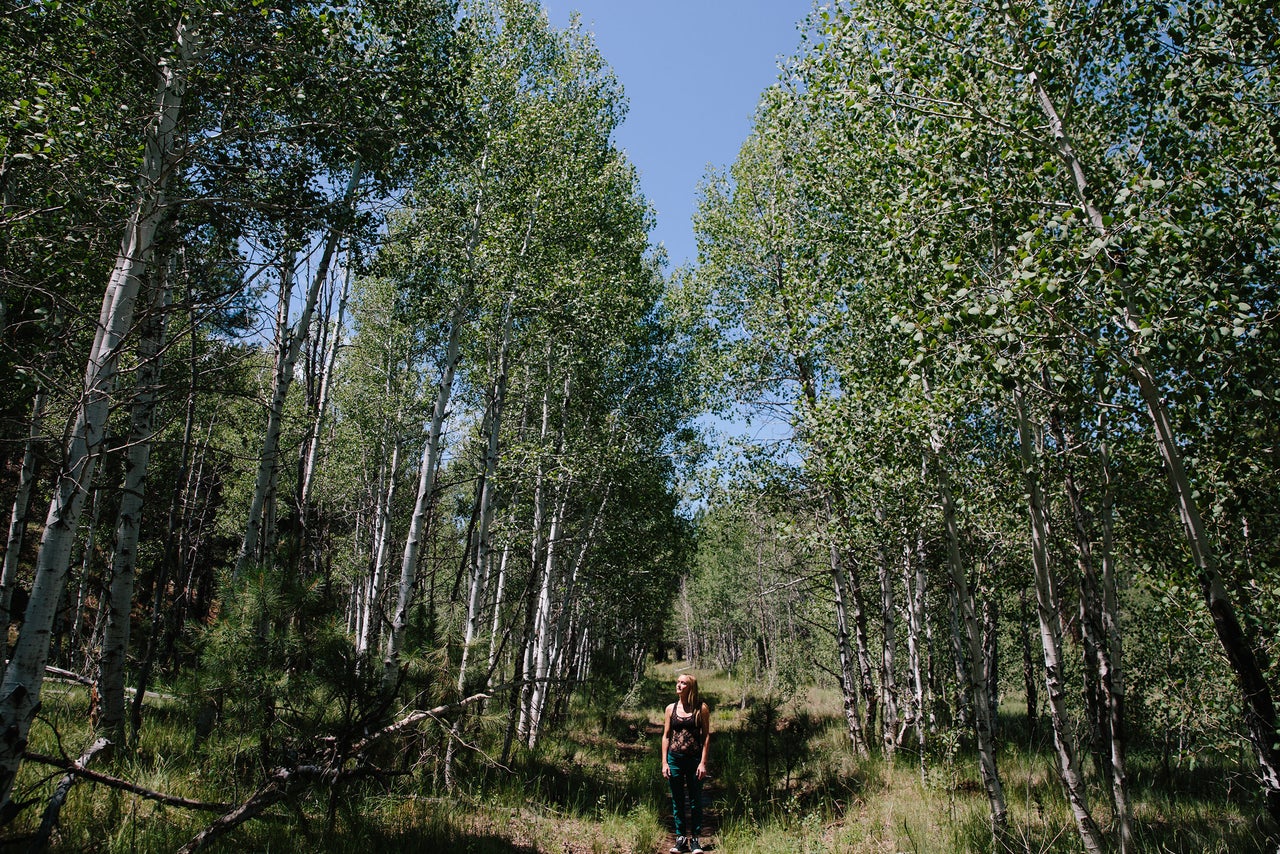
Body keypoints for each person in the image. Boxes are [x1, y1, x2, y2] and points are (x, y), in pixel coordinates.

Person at [662, 673, 711, 854]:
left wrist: (703, 763)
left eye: (683, 683)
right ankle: (680, 838)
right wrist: (664, 762)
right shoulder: (670, 708)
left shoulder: (701, 708)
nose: (679, 685)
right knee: (677, 799)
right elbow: (666, 736)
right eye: (678, 682)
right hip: (674, 758)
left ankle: (695, 840)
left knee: (695, 799)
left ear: (691, 688)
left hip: (694, 759)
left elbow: (706, 736)